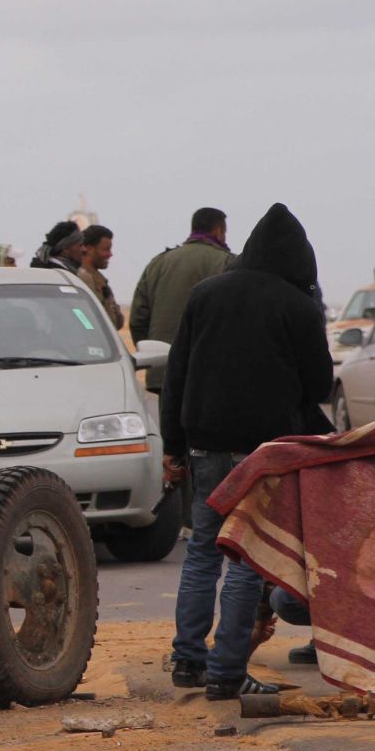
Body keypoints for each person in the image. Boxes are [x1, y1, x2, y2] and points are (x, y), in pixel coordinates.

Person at [161, 204, 334, 700]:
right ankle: (227, 671)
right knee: (245, 558)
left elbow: (176, 377)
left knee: (201, 550)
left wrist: (173, 445)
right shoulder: (297, 305)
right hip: (261, 449)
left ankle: (188, 660)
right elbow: (320, 384)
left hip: (204, 442)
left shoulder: (205, 295)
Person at [130, 207, 231, 392]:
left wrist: (152, 354)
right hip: (209, 374)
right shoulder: (227, 263)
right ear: (218, 231)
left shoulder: (158, 263)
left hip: (163, 371)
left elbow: (138, 318)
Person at [75, 224, 124, 329]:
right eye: (106, 249)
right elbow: (88, 322)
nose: (110, 254)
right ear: (89, 249)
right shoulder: (83, 280)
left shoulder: (99, 281)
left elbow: (117, 321)